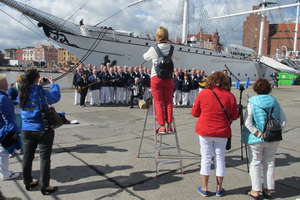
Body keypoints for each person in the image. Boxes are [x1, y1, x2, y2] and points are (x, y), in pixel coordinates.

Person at [191, 71, 239, 197]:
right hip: (222, 131)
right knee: (220, 159)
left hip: (205, 130)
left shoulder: (204, 93)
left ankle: (205, 187)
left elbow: (195, 113)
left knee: (206, 158)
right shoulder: (230, 96)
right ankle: (219, 188)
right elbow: (234, 116)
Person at [242, 78, 286, 199]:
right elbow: (283, 120)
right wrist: (276, 132)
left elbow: (247, 122)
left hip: (257, 139)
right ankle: (268, 189)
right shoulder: (274, 101)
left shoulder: (252, 101)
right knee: (269, 162)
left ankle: (255, 190)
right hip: (273, 138)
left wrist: (258, 133)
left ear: (256, 88)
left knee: (255, 163)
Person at [19, 69, 60, 195]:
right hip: (42, 128)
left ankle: (28, 181)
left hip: (26, 128)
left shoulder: (21, 91)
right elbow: (55, 97)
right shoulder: (40, 91)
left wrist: (37, 84)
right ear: (37, 79)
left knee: (27, 156)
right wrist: (53, 84)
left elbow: (30, 91)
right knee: (44, 158)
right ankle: (45, 185)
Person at [143, 26, 175, 134]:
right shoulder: (171, 48)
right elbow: (179, 57)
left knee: (158, 102)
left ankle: (162, 126)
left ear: (157, 36)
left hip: (156, 77)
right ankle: (170, 125)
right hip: (169, 78)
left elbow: (145, 57)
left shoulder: (154, 49)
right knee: (169, 102)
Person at [0, 74, 20, 181]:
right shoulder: (3, 98)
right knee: (4, 151)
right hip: (4, 129)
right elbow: (8, 117)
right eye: (6, 83)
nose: (8, 84)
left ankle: (3, 171)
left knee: (2, 151)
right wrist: (13, 131)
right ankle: (5, 173)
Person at [7, 74, 23, 157]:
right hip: (15, 112)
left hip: (22, 112)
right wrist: (16, 102)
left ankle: (21, 147)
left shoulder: (24, 88)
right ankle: (11, 150)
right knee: (14, 132)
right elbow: (8, 101)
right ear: (18, 82)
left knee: (21, 131)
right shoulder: (12, 89)